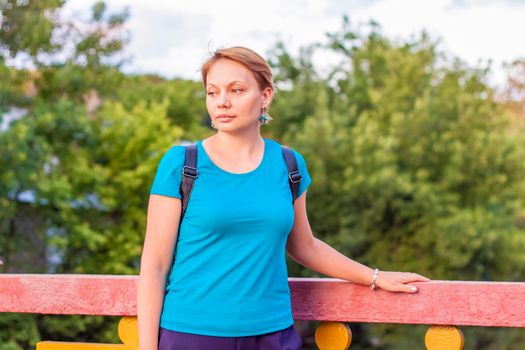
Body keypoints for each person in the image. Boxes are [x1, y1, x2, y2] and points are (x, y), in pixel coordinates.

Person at [137, 46, 430, 350]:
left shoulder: (289, 165)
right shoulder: (183, 164)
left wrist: (374, 276)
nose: (222, 102)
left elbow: (305, 245)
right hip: (192, 335)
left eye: (236, 90)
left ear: (265, 96)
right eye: (212, 92)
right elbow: (155, 266)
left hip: (274, 335)